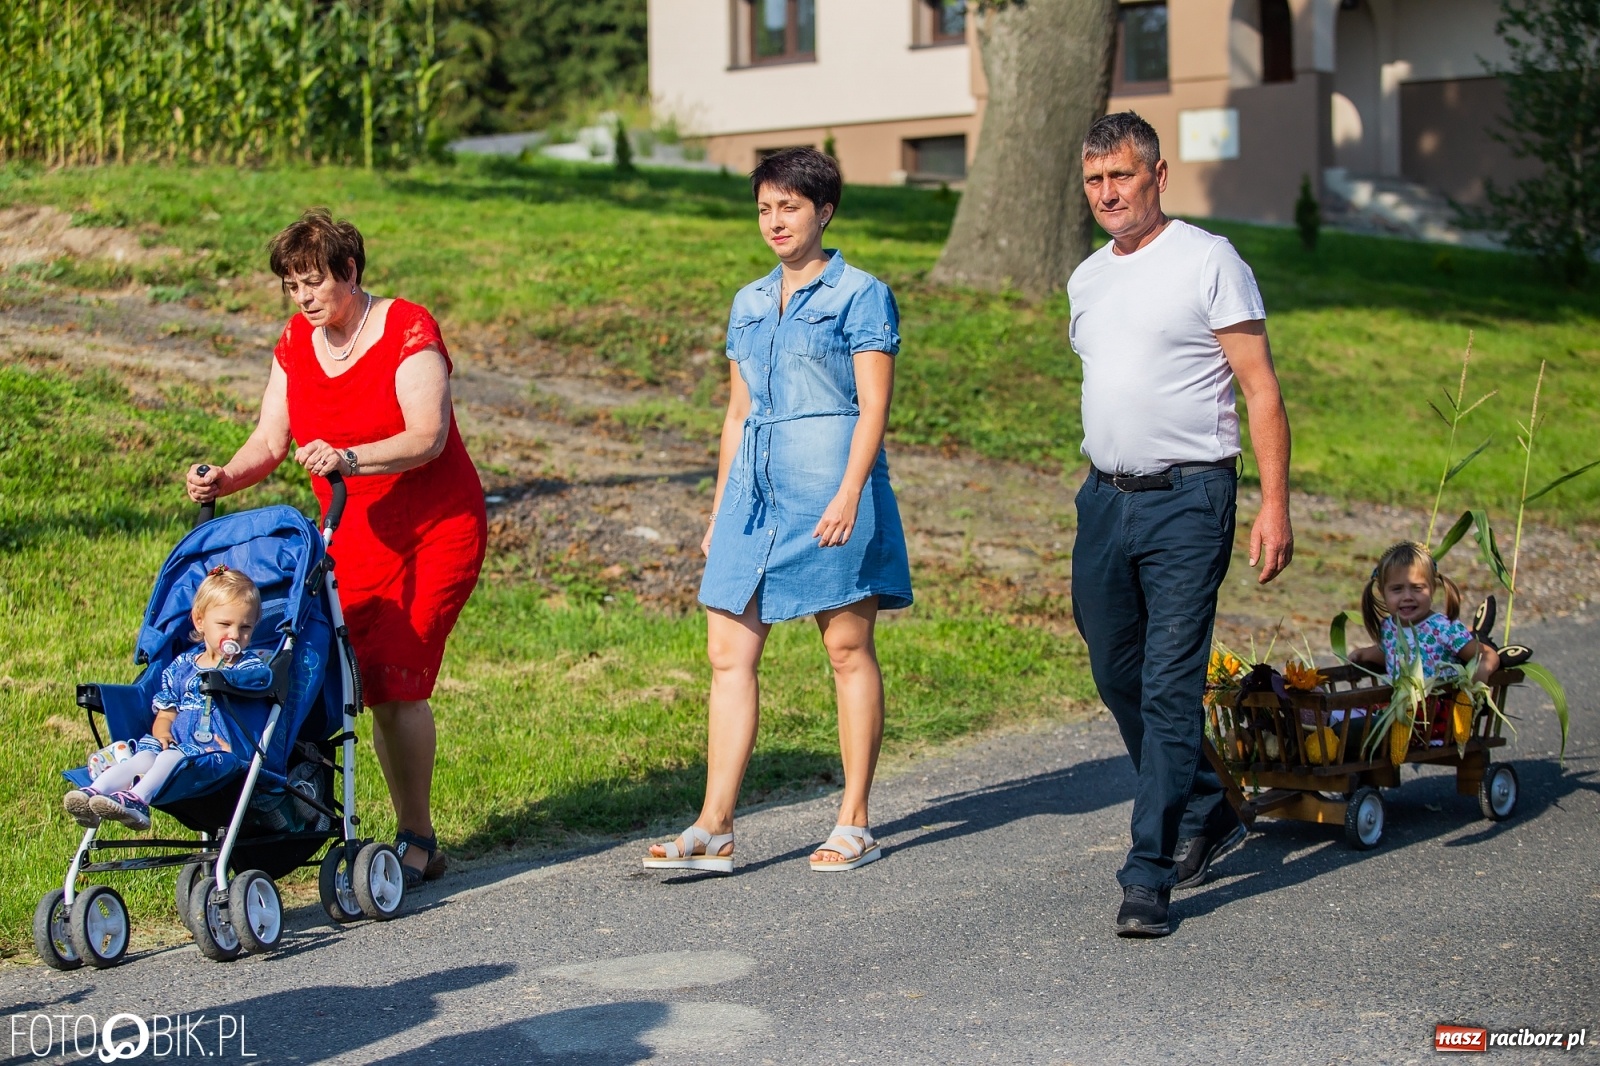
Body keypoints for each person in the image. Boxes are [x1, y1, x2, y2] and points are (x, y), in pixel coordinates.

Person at [186, 209, 487, 886]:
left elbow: (427, 434)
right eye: (293, 286)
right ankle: (304, 822)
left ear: (349, 271)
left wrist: (350, 456)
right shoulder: (297, 343)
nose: (304, 298)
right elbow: (269, 442)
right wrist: (224, 477)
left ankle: (416, 836)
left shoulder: (409, 327)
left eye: (315, 282)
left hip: (434, 529)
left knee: (394, 677)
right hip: (351, 532)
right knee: (341, 678)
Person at [645, 147, 912, 875]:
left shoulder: (861, 294)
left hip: (831, 492)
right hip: (752, 500)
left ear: (824, 211)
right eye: (764, 207)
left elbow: (874, 405)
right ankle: (714, 826)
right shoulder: (749, 301)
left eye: (789, 207)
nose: (775, 221)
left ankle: (855, 821)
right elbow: (738, 413)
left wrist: (851, 492)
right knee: (727, 654)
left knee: (846, 650)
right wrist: (717, 510)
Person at [1067, 112, 1295, 937]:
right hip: (1105, 499)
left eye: (1121, 176)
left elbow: (1259, 388)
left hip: (1190, 500)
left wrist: (1274, 502)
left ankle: (1148, 873)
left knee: (1168, 686)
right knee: (1113, 667)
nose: (1107, 194)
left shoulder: (1209, 262)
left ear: (1158, 175)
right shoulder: (1087, 278)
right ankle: (1206, 795)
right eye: (1094, 180)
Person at [65, 567, 270, 831]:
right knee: (142, 758)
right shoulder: (183, 665)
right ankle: (93, 793)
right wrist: (162, 732)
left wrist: (228, 681)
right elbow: (167, 710)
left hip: (209, 750)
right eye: (225, 625)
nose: (234, 635)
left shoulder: (246, 666)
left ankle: (139, 799)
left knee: (168, 759)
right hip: (174, 742)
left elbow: (260, 681)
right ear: (199, 622)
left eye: (245, 628)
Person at [1349, 541, 1499, 682]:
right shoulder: (1389, 627)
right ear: (1382, 592)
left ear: (1432, 588)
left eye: (1417, 588)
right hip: (1400, 707)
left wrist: (1482, 669)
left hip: (1439, 706)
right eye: (1397, 589)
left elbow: (1487, 654)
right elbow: (1390, 653)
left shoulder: (1444, 628)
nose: (1407, 597)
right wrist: (1364, 654)